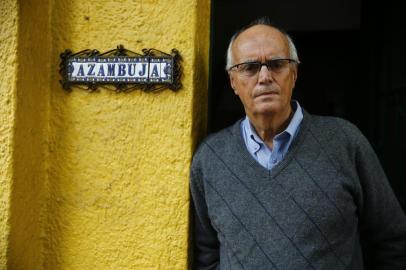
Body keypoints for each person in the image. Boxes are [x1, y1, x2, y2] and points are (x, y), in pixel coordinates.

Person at [189, 17, 406, 270]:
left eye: (277, 64)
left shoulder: (346, 142)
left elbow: (393, 240)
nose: (264, 77)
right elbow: (207, 256)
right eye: (249, 67)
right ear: (233, 81)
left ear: (294, 73)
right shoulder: (210, 158)